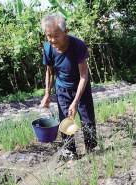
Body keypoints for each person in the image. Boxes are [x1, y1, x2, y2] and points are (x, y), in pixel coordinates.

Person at [40, 13, 97, 157]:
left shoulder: (78, 46)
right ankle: (70, 153)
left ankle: (91, 151)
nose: (52, 40)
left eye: (56, 36)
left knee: (87, 119)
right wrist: (47, 93)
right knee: (66, 122)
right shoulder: (48, 48)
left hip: (81, 88)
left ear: (66, 32)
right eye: (48, 36)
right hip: (62, 89)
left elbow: (84, 75)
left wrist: (76, 101)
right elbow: (50, 71)